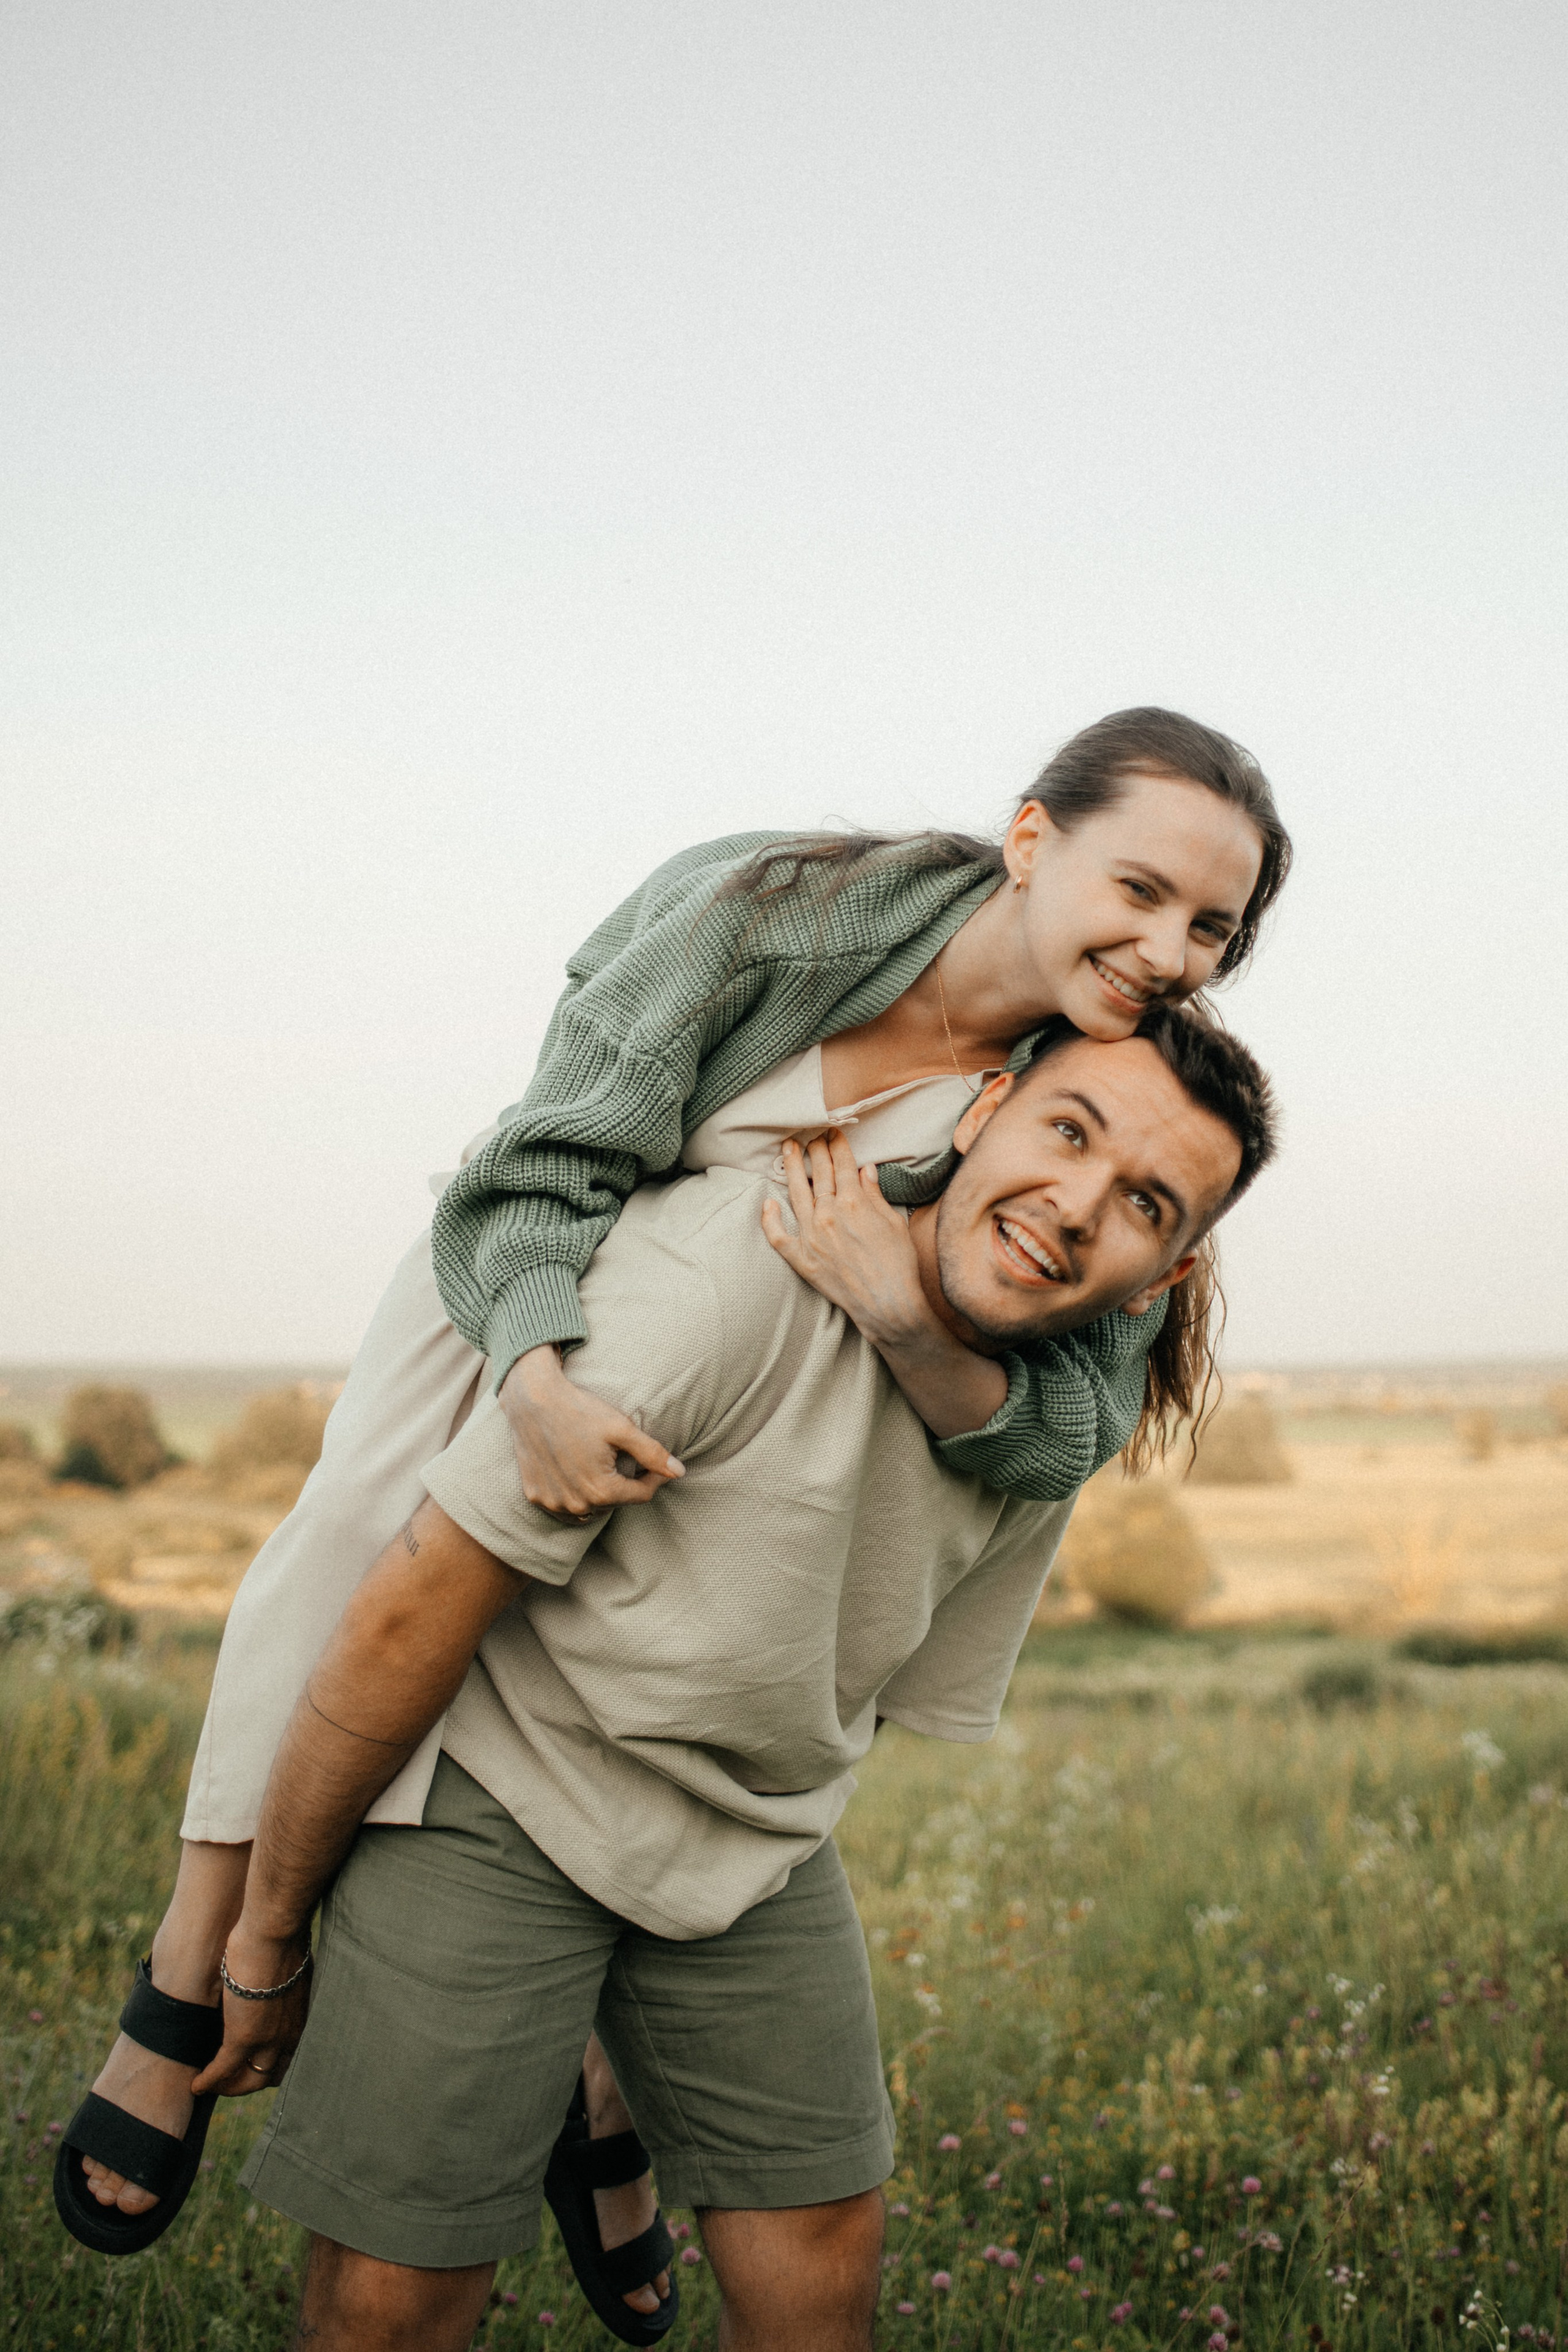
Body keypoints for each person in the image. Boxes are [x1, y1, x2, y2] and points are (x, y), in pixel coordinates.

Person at [60, 708, 1290, 2309]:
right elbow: (547, 1155)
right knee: (351, 1537)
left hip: (703, 1397)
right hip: (540, 1258)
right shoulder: (774, 913)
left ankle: (604, 2093)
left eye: (1214, 928)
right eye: (1141, 891)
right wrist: (539, 1371)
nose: (1169, 947)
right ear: (1034, 837)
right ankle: (181, 1983)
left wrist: (912, 1324)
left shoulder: (1083, 1084)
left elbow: (1066, 1415)